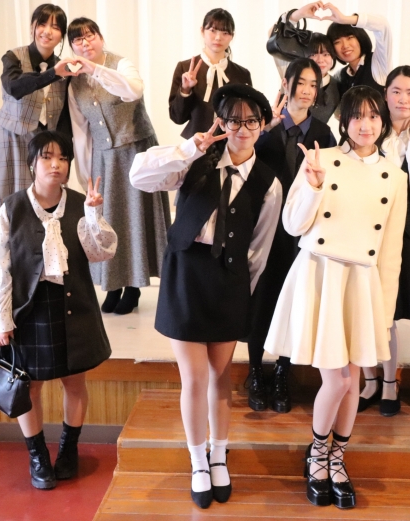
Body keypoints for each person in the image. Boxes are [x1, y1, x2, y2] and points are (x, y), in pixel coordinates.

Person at [129, 85, 282, 509]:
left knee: (221, 376)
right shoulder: (195, 161)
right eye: (233, 120)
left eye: (251, 121)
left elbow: (260, 247)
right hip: (187, 275)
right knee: (194, 377)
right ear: (221, 123)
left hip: (229, 282)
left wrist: (242, 293)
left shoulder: (269, 183)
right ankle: (198, 462)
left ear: (262, 125)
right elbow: (139, 176)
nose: (242, 129)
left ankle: (218, 455)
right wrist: (187, 148)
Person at [264, 86, 407, 509]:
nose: (365, 125)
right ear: (344, 121)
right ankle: (318, 456)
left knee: (354, 380)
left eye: (374, 116)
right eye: (357, 116)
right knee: (338, 380)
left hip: (362, 283)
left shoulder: (395, 177)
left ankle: (336, 458)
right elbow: (292, 225)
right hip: (321, 274)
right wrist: (312, 186)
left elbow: (392, 252)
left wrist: (383, 311)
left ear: (383, 122)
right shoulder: (321, 159)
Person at [0, 130, 117, 490]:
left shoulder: (81, 203)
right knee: (30, 388)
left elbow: (102, 253)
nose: (55, 164)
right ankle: (38, 456)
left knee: (75, 383)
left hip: (74, 305)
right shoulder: (11, 208)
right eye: (47, 157)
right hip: (30, 310)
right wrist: (1, 319)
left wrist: (94, 214)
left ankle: (69, 450)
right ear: (32, 163)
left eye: (62, 158)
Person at [246, 58, 337, 413]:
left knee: (293, 302)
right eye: (301, 82)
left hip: (301, 234)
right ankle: (256, 371)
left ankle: (283, 372)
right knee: (260, 300)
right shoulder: (263, 127)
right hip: (262, 228)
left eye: (314, 85)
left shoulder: (324, 135)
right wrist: (263, 130)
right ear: (286, 83)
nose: (308, 91)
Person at [66, 17, 171, 315]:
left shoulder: (121, 64)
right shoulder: (74, 83)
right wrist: (85, 173)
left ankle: (133, 287)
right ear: (72, 47)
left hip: (135, 151)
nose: (85, 43)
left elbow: (133, 90)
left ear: (101, 38)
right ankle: (113, 286)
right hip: (104, 159)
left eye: (90, 36)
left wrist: (96, 69)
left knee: (135, 220)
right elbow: (80, 130)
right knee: (107, 220)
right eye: (78, 39)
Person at [358, 66, 410, 417]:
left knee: (387, 310)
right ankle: (368, 381)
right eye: (396, 91)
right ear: (385, 94)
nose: (403, 99)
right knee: (361, 305)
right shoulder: (367, 131)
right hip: (362, 228)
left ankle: (389, 382)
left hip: (401, 232)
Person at [0, 3, 77, 212]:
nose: (47, 31)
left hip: (45, 144)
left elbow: (65, 116)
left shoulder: (64, 67)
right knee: (11, 207)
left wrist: (65, 153)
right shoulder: (13, 57)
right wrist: (52, 74)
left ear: (62, 35)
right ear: (32, 26)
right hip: (11, 137)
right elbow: (14, 87)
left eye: (55, 27)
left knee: (45, 205)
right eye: (42, 24)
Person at [170, 8, 253, 139]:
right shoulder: (185, 68)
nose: (218, 38)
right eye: (213, 30)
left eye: (225, 32)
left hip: (232, 144)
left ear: (232, 36)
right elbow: (177, 118)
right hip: (197, 145)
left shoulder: (242, 74)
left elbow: (247, 117)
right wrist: (185, 90)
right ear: (202, 31)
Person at [269, 3, 341, 125]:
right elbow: (275, 36)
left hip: (318, 136)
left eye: (325, 54)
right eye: (313, 54)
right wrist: (297, 15)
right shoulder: (291, 71)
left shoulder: (337, 86)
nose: (320, 60)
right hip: (280, 132)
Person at [324, 4, 392, 96]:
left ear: (360, 37)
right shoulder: (340, 76)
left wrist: (344, 19)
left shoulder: (378, 62)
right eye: (337, 42)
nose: (345, 46)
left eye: (350, 38)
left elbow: (382, 26)